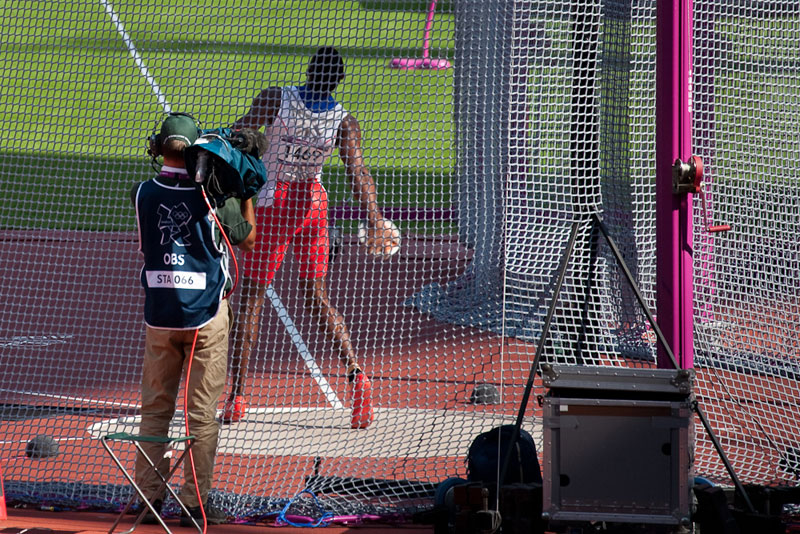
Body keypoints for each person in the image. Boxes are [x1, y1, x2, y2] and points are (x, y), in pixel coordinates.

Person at [223, 46, 401, 429]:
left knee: (252, 298)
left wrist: (222, 143)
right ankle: (357, 376)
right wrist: (375, 220)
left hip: (273, 204)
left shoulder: (276, 98)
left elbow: (241, 131)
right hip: (313, 207)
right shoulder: (343, 121)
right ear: (338, 81)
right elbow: (359, 174)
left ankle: (236, 396)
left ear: (307, 71)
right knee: (317, 297)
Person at [131, 113, 258, 526]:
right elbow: (248, 237)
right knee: (201, 414)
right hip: (205, 315)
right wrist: (244, 190)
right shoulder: (213, 196)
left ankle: (147, 498)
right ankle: (195, 502)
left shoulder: (142, 194)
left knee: (155, 409)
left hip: (160, 316)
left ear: (158, 148)